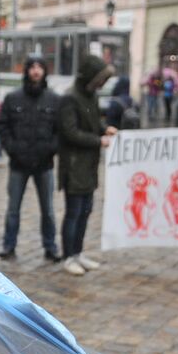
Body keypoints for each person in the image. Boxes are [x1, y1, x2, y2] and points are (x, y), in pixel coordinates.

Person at [57, 54, 117, 276]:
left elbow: (92, 122)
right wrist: (98, 140)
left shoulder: (90, 96)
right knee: (74, 212)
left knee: (85, 211)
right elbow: (70, 132)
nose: (101, 84)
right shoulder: (69, 98)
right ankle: (68, 256)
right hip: (73, 166)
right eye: (99, 79)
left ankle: (78, 252)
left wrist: (104, 129)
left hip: (88, 166)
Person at [0, 55, 61, 263]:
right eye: (32, 67)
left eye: (39, 67)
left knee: (48, 210)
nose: (36, 71)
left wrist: (51, 149)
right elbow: (3, 126)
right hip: (18, 163)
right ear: (26, 71)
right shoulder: (13, 98)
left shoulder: (53, 99)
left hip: (44, 164)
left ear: (44, 71)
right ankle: (9, 245)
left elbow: (59, 130)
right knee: (13, 208)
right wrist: (13, 149)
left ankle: (50, 247)